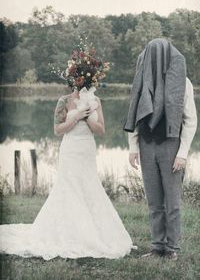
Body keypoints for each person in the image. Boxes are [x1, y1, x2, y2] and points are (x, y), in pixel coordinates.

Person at [0, 83, 135, 260]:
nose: (82, 85)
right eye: (79, 81)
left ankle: (94, 232)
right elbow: (58, 130)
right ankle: (69, 232)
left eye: (86, 81)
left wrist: (88, 118)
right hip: (70, 149)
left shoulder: (96, 101)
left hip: (87, 149)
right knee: (68, 187)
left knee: (89, 186)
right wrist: (76, 116)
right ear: (74, 81)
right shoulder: (63, 101)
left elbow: (101, 130)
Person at [124, 38, 197, 260]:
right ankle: (157, 247)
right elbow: (135, 116)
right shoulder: (141, 81)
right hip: (147, 146)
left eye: (159, 53)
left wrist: (182, 154)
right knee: (154, 202)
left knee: (172, 202)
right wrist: (133, 148)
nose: (154, 57)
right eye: (150, 52)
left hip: (171, 147)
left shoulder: (183, 82)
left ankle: (172, 249)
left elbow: (191, 120)